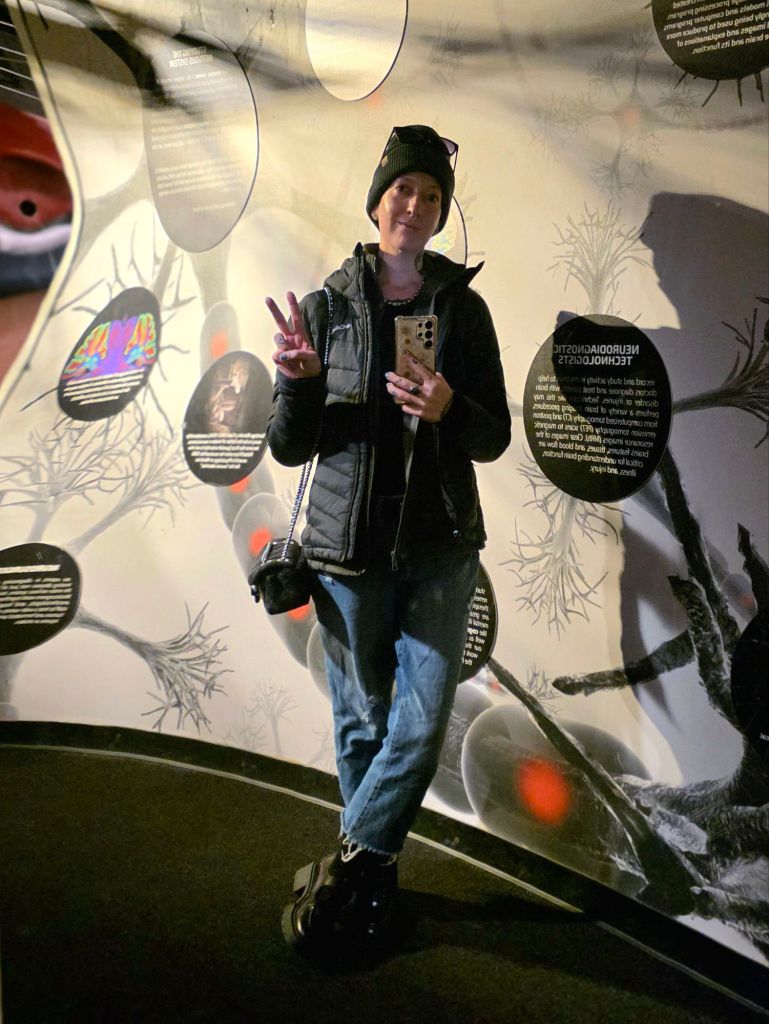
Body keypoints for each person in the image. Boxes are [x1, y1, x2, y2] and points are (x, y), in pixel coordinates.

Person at [265, 124, 510, 955]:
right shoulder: (327, 308)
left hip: (439, 547)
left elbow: (494, 437)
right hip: (347, 551)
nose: (414, 205)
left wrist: (450, 409)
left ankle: (354, 859)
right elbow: (292, 446)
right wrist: (297, 383)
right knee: (362, 720)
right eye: (402, 190)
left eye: (430, 195)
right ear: (377, 201)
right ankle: (373, 883)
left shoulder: (461, 310)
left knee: (420, 714)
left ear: (440, 215)